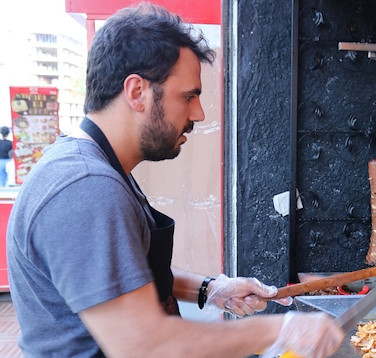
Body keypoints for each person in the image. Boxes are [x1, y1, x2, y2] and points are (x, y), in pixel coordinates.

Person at [6, 3, 344, 358]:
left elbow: (122, 280)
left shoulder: (95, 170)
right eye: (189, 96)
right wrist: (282, 330)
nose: (197, 113)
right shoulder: (87, 187)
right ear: (136, 92)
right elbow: (144, 346)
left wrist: (212, 289)